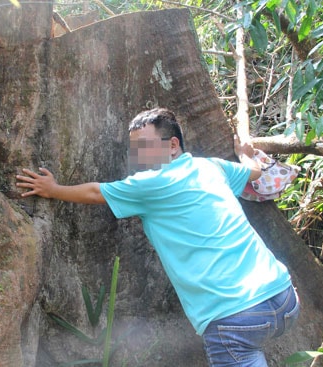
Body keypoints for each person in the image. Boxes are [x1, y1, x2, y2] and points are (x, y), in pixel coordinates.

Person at [16, 107, 299, 366]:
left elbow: (95, 192)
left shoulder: (152, 184)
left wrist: (52, 189)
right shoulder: (211, 166)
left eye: (145, 147)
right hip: (283, 298)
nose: (138, 157)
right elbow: (254, 173)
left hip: (233, 319)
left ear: (173, 146)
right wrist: (245, 152)